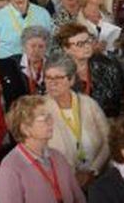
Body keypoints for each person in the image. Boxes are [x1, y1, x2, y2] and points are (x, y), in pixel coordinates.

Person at [42, 55, 111, 187]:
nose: (52, 83)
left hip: (97, 178)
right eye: (48, 77)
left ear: (72, 79)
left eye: (58, 77)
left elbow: (108, 139)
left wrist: (93, 170)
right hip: (60, 182)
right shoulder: (40, 108)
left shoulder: (89, 104)